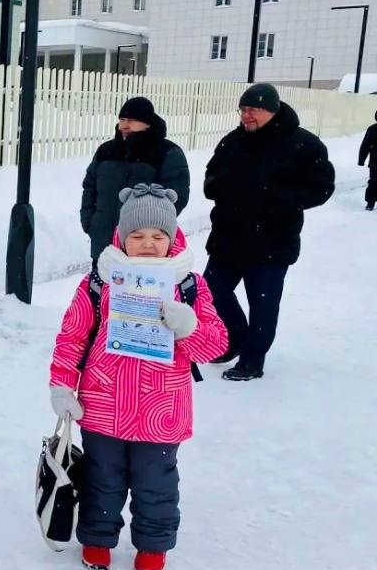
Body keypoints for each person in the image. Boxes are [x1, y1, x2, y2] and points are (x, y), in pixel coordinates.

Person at [48, 184, 228, 570]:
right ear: (122, 237)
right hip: (101, 405)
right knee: (101, 478)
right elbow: (73, 336)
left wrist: (189, 327)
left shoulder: (190, 286)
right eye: (138, 236)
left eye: (158, 236)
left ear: (172, 238)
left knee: (156, 485)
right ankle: (97, 538)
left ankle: (153, 544)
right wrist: (62, 385)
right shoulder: (99, 282)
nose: (148, 244)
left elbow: (215, 347)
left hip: (161, 413)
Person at [203, 83, 335, 381]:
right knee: (210, 291)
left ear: (272, 111)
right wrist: (219, 188)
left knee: (262, 303)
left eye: (252, 110)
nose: (245, 116)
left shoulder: (303, 144)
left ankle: (253, 360)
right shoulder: (232, 142)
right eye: (242, 110)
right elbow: (211, 176)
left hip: (272, 241)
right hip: (228, 237)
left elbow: (322, 187)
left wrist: (282, 199)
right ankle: (236, 338)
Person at [81, 96, 190, 262]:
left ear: (147, 123)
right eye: (122, 119)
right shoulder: (106, 151)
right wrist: (90, 223)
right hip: (104, 246)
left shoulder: (167, 152)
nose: (124, 125)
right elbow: (89, 188)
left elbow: (176, 197)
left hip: (144, 251)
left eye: (131, 120)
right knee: (101, 288)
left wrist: (152, 233)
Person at [357, 110, 377, 211]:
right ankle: (370, 202)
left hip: (375, 163)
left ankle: (370, 203)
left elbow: (365, 145)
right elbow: (366, 145)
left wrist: (361, 160)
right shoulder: (373, 129)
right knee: (374, 183)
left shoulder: (373, 129)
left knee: (373, 182)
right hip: (375, 163)